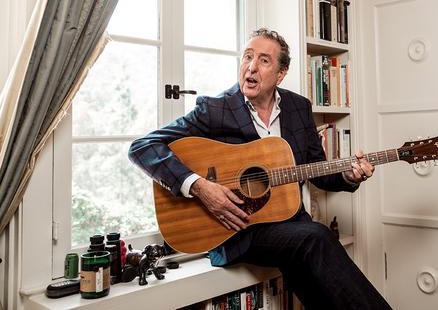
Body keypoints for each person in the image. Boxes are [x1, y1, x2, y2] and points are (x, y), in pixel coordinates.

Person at [128, 28, 392, 309]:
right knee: (316, 237)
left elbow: (317, 169)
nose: (251, 67)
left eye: (264, 60)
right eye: (247, 57)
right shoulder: (215, 109)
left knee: (316, 266)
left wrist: (349, 176)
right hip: (237, 231)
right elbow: (142, 147)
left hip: (289, 225)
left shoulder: (298, 108)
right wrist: (200, 187)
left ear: (281, 73)